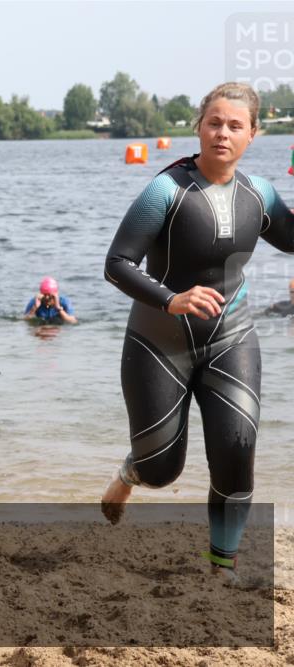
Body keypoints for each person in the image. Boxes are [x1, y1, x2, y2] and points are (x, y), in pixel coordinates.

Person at [100, 83, 294, 580]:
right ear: (199, 127)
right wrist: (172, 299)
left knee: (238, 451)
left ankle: (220, 568)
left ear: (253, 133)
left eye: (234, 126)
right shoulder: (168, 189)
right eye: (214, 123)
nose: (222, 133)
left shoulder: (260, 195)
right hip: (158, 341)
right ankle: (130, 472)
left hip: (232, 337)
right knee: (162, 469)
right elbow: (117, 264)